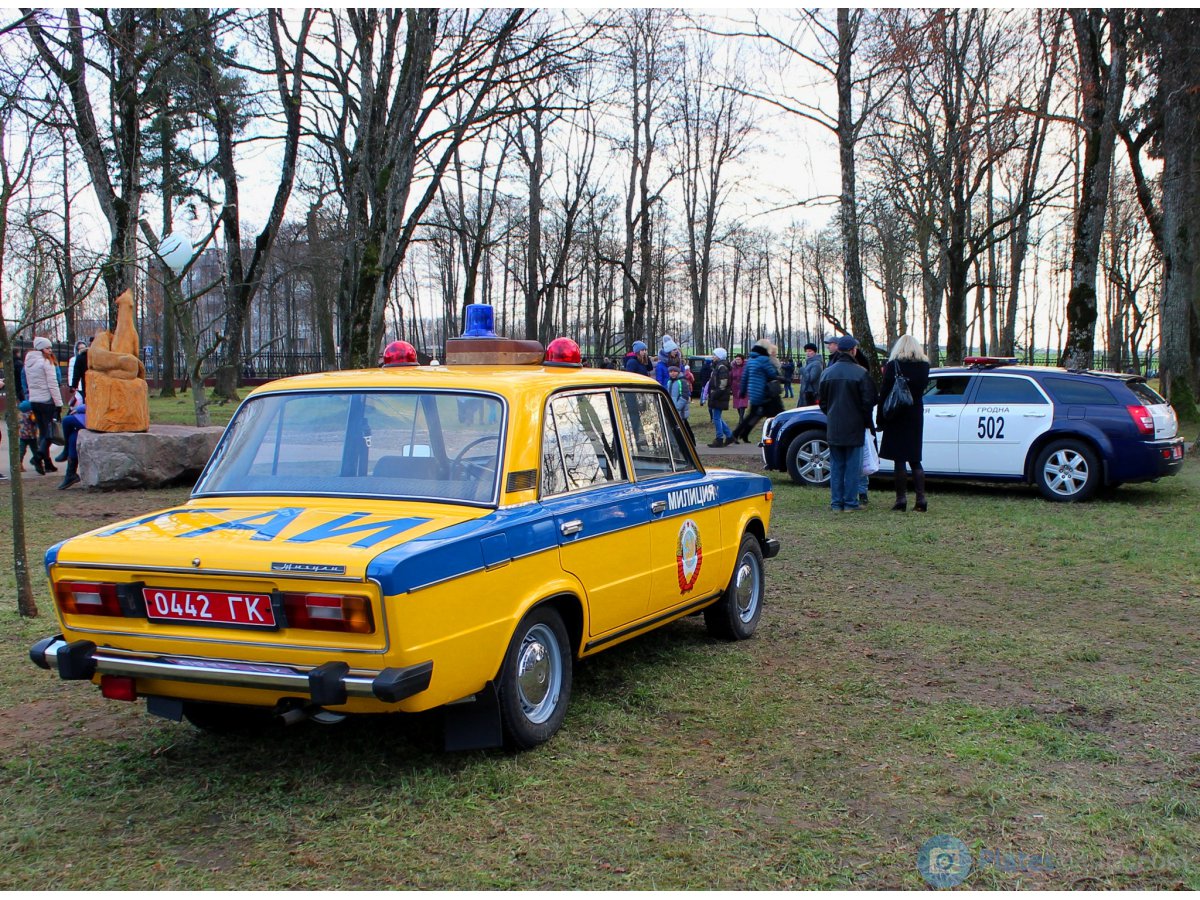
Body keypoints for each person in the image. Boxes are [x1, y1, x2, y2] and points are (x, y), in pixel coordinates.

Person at [818, 335, 877, 511]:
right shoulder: (861, 373)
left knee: (836, 466)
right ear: (853, 350)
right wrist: (864, 420)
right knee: (853, 467)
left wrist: (832, 414)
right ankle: (850, 502)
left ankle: (836, 502)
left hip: (834, 425)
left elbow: (822, 402)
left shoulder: (827, 372)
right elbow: (869, 401)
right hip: (855, 426)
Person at [878, 333, 931, 512]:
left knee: (899, 460)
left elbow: (885, 392)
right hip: (915, 413)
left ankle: (901, 499)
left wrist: (881, 419)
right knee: (915, 459)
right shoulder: (924, 366)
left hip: (896, 414)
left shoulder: (893, 365)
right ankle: (921, 499)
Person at [730, 339, 783, 444]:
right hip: (766, 393)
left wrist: (743, 391)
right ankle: (773, 438)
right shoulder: (765, 360)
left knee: (754, 415)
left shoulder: (751, 360)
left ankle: (739, 434)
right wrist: (780, 377)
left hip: (755, 393)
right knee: (776, 416)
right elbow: (772, 374)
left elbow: (745, 377)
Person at [24, 336, 62, 474]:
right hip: (47, 401)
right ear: (40, 349)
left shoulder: (29, 363)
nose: (50, 350)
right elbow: (53, 385)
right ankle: (38, 456)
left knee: (43, 431)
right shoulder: (46, 363)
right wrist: (58, 403)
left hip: (34, 400)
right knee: (49, 433)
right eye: (47, 348)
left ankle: (46, 463)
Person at [705, 348, 734, 447]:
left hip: (719, 395)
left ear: (719, 356)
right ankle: (730, 436)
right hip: (718, 394)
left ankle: (719, 438)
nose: (713, 357)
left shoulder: (722, 367)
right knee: (717, 416)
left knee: (716, 417)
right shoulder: (718, 366)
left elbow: (723, 383)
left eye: (714, 355)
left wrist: (715, 394)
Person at [58, 395, 86, 489]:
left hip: (103, 416)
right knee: (73, 437)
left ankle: (66, 449)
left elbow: (100, 402)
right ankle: (70, 474)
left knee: (67, 420)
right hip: (94, 413)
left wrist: (79, 409)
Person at [667, 364, 695, 444]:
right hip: (672, 409)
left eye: (674, 371)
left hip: (680, 411)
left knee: (680, 430)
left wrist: (677, 407)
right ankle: (673, 445)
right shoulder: (669, 382)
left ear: (678, 372)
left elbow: (684, 396)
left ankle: (681, 445)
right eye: (671, 371)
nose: (672, 373)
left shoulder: (682, 382)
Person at [17, 400, 39, 473]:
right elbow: (34, 420)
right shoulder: (31, 414)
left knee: (22, 450)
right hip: (31, 436)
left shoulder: (19, 414)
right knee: (35, 450)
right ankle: (38, 464)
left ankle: (19, 464)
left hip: (22, 436)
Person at [800, 342, 824, 407]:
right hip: (807, 392)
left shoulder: (816, 364)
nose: (807, 353)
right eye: (806, 351)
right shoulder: (809, 362)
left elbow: (811, 379)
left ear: (815, 352)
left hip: (812, 394)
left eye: (810, 351)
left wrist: (801, 369)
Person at [730, 352, 748, 430]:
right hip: (735, 387)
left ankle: (741, 419)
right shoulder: (733, 367)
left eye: (739, 359)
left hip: (743, 387)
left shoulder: (746, 366)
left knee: (742, 403)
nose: (737, 361)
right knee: (737, 404)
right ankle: (741, 418)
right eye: (736, 359)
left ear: (742, 360)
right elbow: (730, 375)